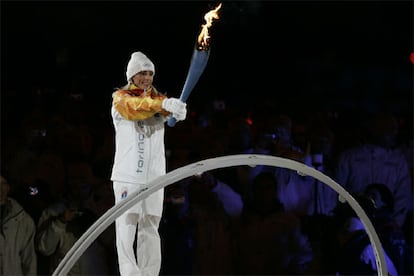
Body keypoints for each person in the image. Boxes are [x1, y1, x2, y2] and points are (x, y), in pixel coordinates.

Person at [111, 51, 187, 276]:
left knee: (151, 226)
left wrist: (178, 111)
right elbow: (138, 107)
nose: (146, 77)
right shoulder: (121, 99)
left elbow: (165, 110)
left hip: (155, 176)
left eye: (150, 73)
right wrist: (166, 104)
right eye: (142, 73)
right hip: (128, 176)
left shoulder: (159, 101)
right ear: (132, 76)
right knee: (127, 225)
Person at [0, 175, 37, 275]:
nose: (0, 188)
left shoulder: (23, 221)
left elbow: (29, 260)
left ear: (8, 187)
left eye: (3, 183)